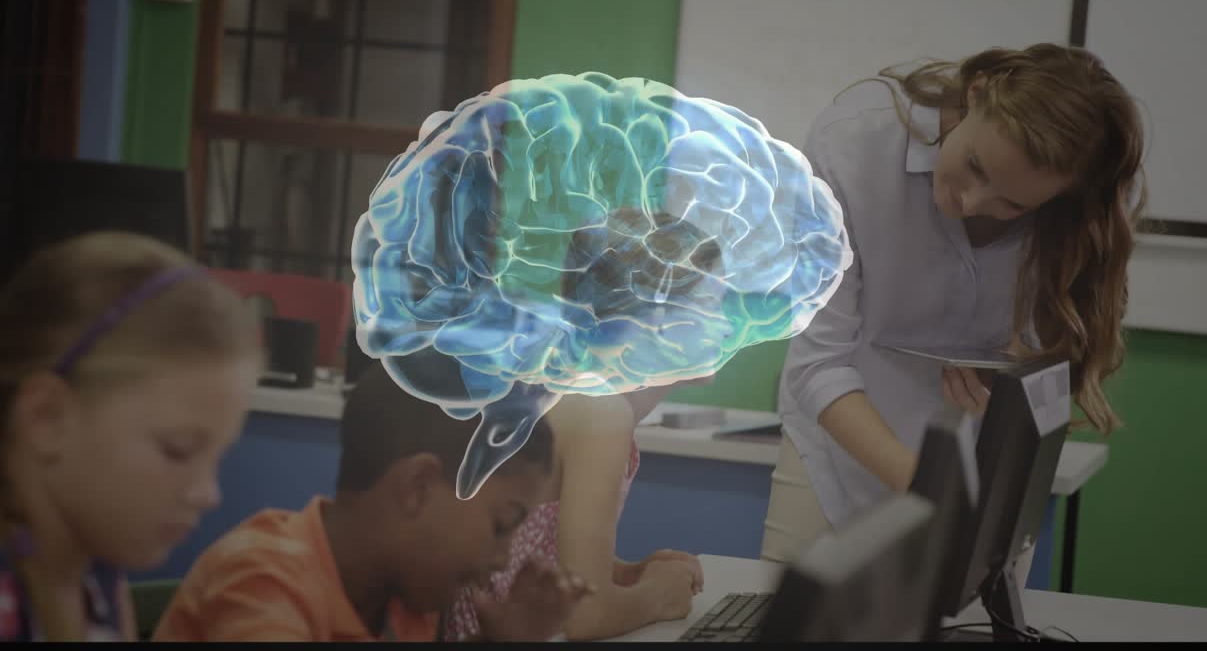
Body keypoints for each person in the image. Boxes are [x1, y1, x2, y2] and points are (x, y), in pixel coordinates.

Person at [761, 44, 1146, 575]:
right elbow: (817, 365)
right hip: (835, 450)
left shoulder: (1078, 208)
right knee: (786, 612)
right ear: (976, 94)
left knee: (973, 614)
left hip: (983, 468)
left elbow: (1051, 364)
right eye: (974, 166)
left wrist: (1013, 383)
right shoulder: (851, 145)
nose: (971, 202)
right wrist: (930, 491)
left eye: (1013, 205)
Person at [0, 232, 263, 641]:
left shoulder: (98, 573)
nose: (209, 494)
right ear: (47, 417)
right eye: (178, 450)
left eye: (217, 456)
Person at [152, 362, 591, 642]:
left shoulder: (404, 602)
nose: (502, 560)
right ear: (418, 488)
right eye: (501, 525)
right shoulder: (262, 581)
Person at [444, 209, 720, 641]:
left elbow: (535, 560)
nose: (726, 323)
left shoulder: (579, 394)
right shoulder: (598, 413)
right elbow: (585, 620)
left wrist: (627, 573)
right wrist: (658, 595)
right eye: (709, 306)